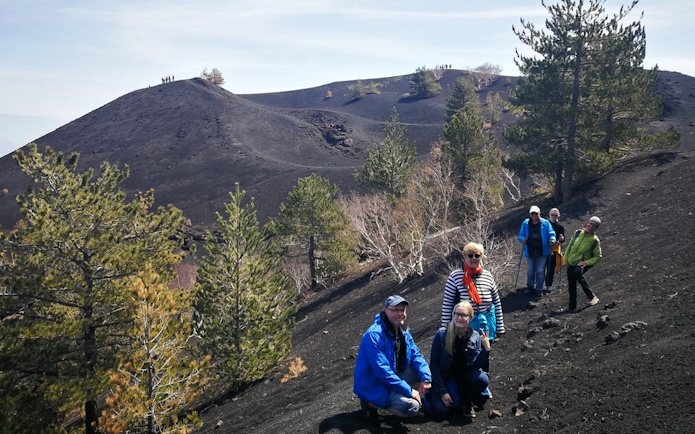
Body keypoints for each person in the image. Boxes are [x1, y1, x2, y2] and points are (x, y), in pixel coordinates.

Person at [353, 295, 432, 420]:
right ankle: (369, 404)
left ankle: (397, 395)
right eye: (395, 310)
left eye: (402, 310)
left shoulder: (402, 332)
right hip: (374, 384)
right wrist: (409, 391)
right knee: (412, 407)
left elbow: (416, 356)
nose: (400, 313)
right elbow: (382, 372)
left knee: (421, 374)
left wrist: (426, 378)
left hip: (392, 377)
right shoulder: (374, 335)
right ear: (386, 311)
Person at [429, 301, 491, 419]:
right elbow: (434, 365)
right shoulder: (442, 334)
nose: (459, 318)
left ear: (470, 318)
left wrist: (486, 349)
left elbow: (475, 366)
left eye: (464, 315)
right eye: (457, 314)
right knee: (441, 411)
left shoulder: (475, 336)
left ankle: (467, 402)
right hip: (445, 376)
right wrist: (442, 391)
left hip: (463, 376)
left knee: (482, 379)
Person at [441, 242, 505, 341]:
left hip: (487, 325)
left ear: (481, 257)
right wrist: (446, 328)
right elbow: (447, 304)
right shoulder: (455, 277)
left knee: (485, 353)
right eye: (470, 255)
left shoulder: (488, 276)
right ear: (465, 257)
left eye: (477, 255)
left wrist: (500, 327)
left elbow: (496, 302)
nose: (473, 258)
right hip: (465, 327)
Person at [563, 216, 603, 311]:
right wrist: (566, 260)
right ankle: (572, 306)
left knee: (577, 274)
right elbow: (570, 246)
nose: (591, 226)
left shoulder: (594, 240)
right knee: (571, 284)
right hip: (571, 262)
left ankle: (592, 297)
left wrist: (586, 262)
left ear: (596, 228)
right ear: (587, 223)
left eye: (594, 225)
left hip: (582, 263)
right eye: (590, 223)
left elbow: (598, 256)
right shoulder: (578, 233)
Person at [518, 205, 556, 296]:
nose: (534, 215)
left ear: (539, 213)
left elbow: (552, 234)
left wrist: (552, 240)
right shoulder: (525, 223)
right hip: (530, 250)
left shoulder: (546, 223)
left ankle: (539, 288)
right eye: (532, 213)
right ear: (530, 214)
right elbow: (520, 234)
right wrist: (522, 239)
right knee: (530, 270)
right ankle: (530, 286)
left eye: (536, 213)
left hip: (542, 251)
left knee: (539, 270)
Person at [544, 208, 566, 294]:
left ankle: (548, 286)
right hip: (544, 249)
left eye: (556, 215)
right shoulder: (545, 225)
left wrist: (561, 239)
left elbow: (562, 239)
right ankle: (539, 285)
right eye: (552, 215)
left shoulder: (560, 227)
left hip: (554, 250)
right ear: (549, 215)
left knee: (551, 268)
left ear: (558, 216)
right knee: (541, 268)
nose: (554, 217)